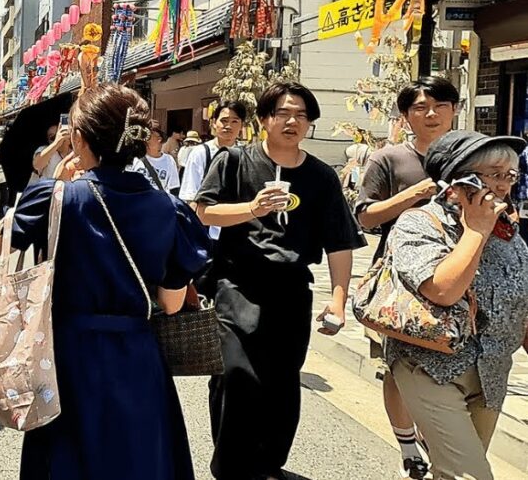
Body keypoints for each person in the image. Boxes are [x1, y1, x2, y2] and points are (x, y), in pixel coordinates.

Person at [0, 83, 208, 479]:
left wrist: (58, 179)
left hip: (67, 354)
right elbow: (172, 303)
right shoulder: (170, 209)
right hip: (137, 356)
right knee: (137, 458)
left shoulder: (57, 198)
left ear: (79, 138)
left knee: (67, 458)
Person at [194, 82, 365, 480]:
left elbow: (340, 242)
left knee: (282, 381)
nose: (292, 121)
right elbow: (205, 212)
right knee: (235, 374)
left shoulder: (321, 177)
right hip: (235, 283)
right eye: (284, 113)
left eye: (301, 115)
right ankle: (231, 466)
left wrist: (339, 299)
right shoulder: (234, 161)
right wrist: (253, 207)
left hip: (290, 290)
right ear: (265, 119)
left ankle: (269, 464)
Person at [386, 131, 528, 480]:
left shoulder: (511, 236)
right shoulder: (419, 224)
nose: (504, 186)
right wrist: (475, 232)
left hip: (492, 374)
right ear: (458, 178)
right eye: (494, 174)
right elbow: (443, 291)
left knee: (452, 473)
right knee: (471, 475)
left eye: (510, 176)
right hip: (430, 365)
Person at [355, 76, 460, 479]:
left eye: (440, 105)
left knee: (453, 362)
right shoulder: (389, 159)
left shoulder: (471, 154)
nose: (430, 114)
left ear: (454, 109)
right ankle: (408, 446)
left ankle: (441, 440)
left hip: (461, 274)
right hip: (400, 281)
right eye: (419, 107)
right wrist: (414, 195)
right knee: (398, 366)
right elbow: (364, 216)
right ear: (406, 115)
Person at [179, 102, 248, 240]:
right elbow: (190, 198)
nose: (228, 126)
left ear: (241, 126)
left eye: (235, 121)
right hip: (207, 234)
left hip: (239, 233)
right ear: (214, 123)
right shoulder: (200, 153)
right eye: (224, 121)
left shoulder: (247, 154)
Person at [135, 127, 181, 195]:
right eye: (156, 138)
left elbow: (174, 187)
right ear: (146, 140)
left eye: (160, 138)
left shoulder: (169, 160)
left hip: (158, 202)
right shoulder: (136, 160)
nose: (160, 140)